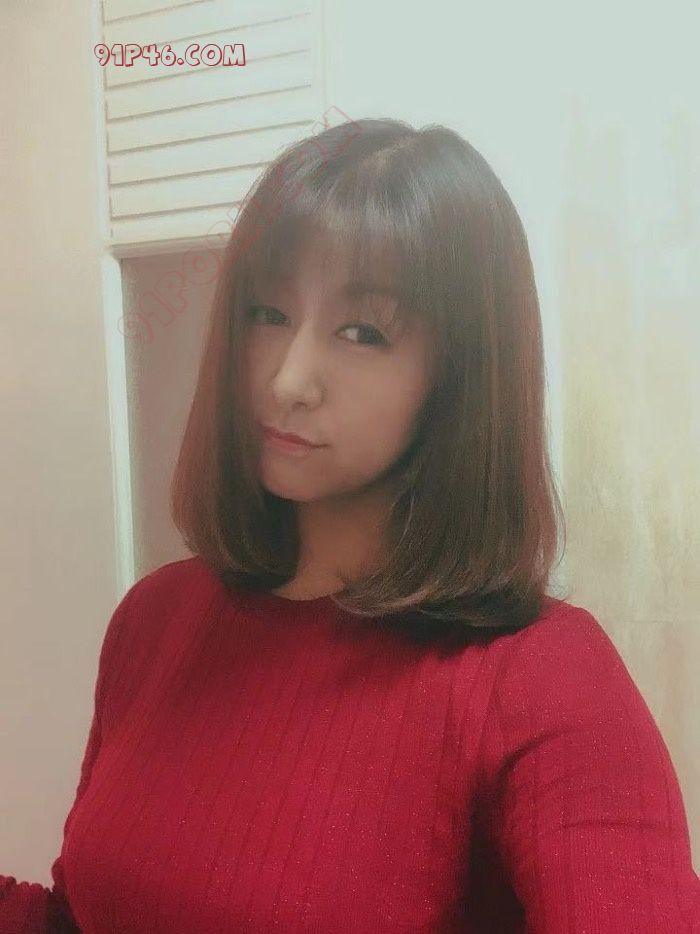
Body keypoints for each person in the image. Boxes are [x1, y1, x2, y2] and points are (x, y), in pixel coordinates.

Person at [2, 117, 699, 932]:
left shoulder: (542, 677)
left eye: (362, 332)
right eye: (267, 313)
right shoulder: (156, 619)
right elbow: (85, 917)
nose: (288, 380)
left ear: (461, 373)